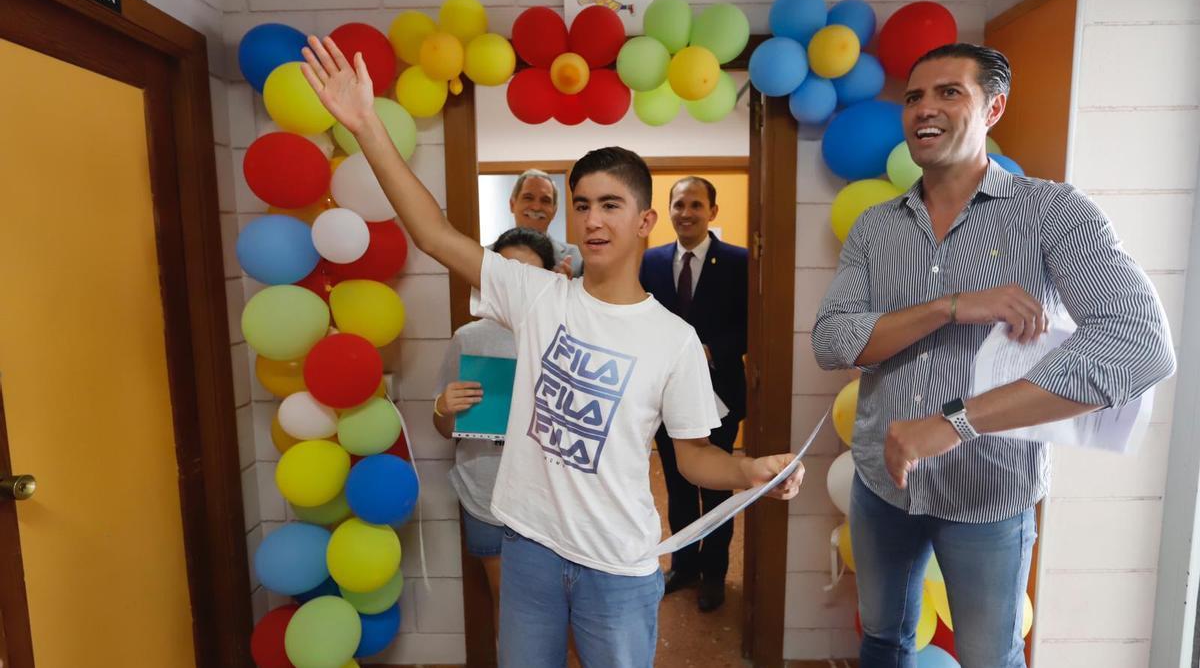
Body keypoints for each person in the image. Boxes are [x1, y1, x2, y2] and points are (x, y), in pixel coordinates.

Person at [299, 36, 805, 668]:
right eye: (583, 205)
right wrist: (367, 125)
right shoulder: (539, 296)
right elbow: (432, 234)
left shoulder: (672, 339)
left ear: (645, 221)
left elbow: (695, 458)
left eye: (611, 206)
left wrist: (748, 469)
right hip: (530, 547)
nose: (593, 220)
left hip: (618, 566)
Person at [812, 43, 1175, 668]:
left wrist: (953, 424)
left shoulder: (1050, 212)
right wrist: (950, 306)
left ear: (994, 107)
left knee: (991, 657)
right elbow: (834, 342)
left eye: (949, 92)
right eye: (914, 96)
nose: (925, 108)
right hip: (882, 482)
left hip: (990, 492)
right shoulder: (876, 227)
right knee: (881, 639)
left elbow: (1138, 344)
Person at [432, 227, 556, 639]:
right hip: (485, 490)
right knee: (507, 602)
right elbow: (445, 427)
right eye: (507, 272)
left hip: (549, 496)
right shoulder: (469, 338)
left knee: (556, 602)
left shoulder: (564, 336)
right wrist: (443, 407)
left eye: (529, 274)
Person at [640, 176, 747, 612]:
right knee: (680, 487)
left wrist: (711, 350)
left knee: (716, 488)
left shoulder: (740, 261)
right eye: (679, 204)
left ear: (712, 212)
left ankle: (714, 575)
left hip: (719, 393)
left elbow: (751, 323)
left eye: (696, 205)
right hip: (665, 398)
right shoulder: (650, 261)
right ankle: (683, 566)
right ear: (669, 210)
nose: (687, 212)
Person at [505, 169, 583, 278]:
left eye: (545, 200)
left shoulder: (578, 258)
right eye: (528, 198)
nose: (536, 207)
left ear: (554, 211)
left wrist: (569, 290)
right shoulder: (489, 256)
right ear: (512, 204)